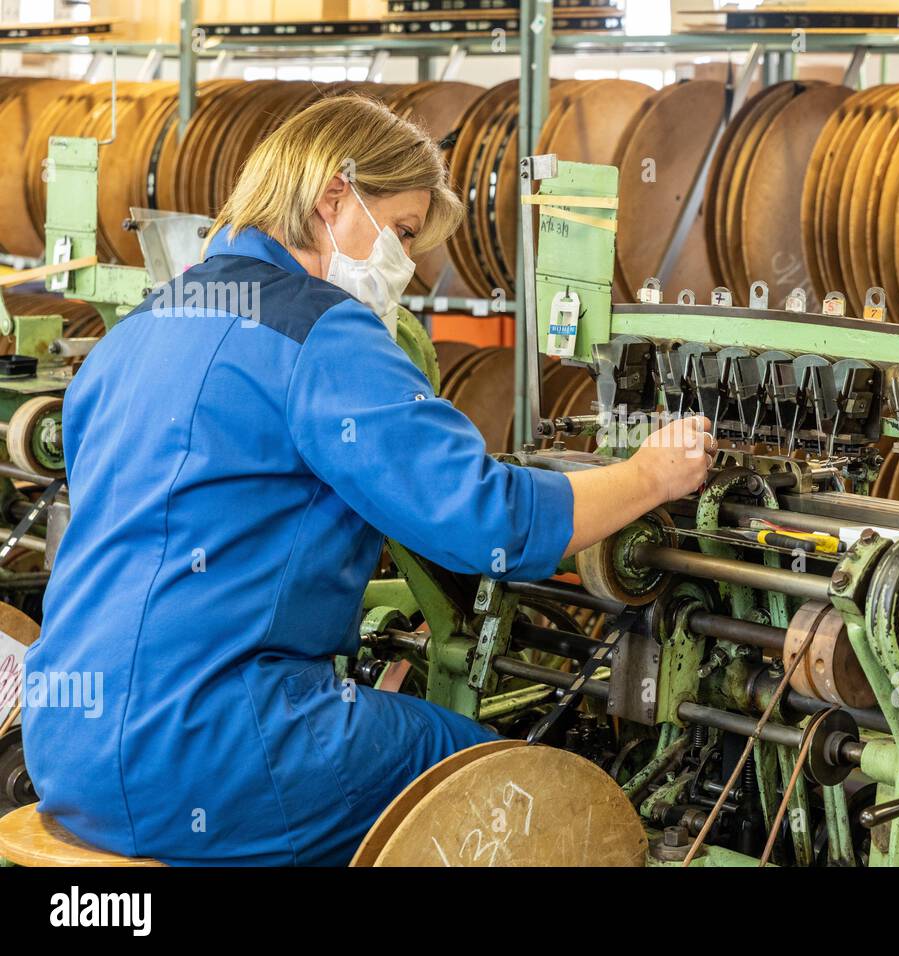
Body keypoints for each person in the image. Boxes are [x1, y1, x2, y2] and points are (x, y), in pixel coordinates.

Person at [22, 94, 713, 865]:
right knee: (506, 790)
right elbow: (490, 524)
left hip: (69, 745)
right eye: (405, 231)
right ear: (333, 198)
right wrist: (651, 474)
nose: (407, 264)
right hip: (210, 753)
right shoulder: (321, 329)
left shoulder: (140, 329)